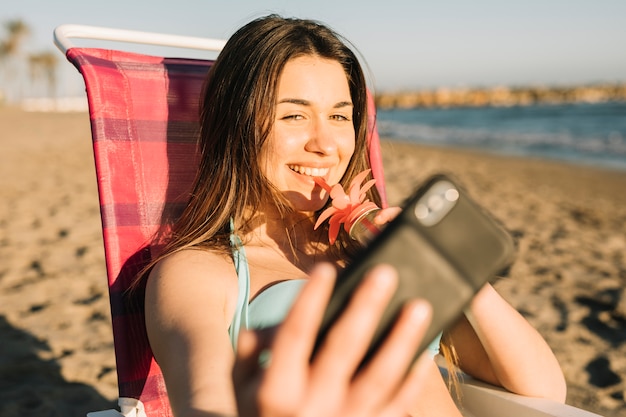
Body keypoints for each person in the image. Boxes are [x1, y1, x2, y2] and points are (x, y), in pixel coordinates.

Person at [144, 14, 566, 417]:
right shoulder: (200, 273)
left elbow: (544, 390)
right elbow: (204, 403)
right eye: (294, 115)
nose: (326, 144)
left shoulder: (376, 258)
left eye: (339, 116)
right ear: (235, 124)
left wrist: (450, 266)